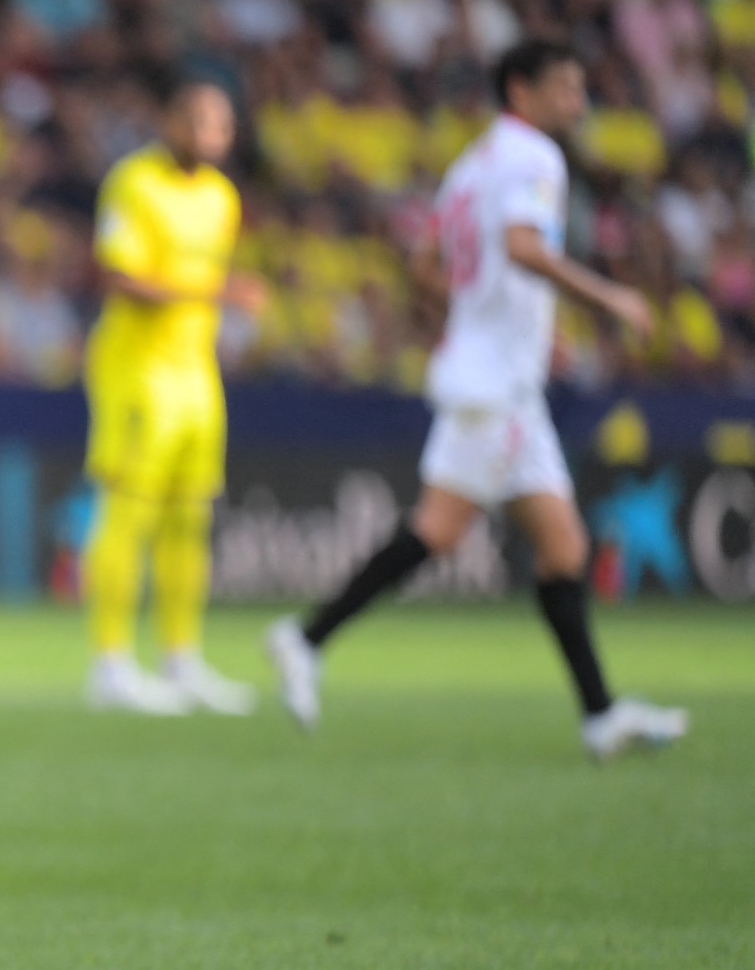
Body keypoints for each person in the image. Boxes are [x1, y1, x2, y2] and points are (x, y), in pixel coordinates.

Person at [265, 39, 689, 760]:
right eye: (564, 87)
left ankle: (599, 713)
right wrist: (608, 296)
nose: (578, 102)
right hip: (494, 386)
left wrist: (489, 323)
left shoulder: (471, 164)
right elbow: (522, 248)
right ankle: (304, 637)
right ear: (520, 90)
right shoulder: (534, 158)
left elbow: (427, 264)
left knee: (562, 545)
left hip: (499, 377)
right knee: (437, 529)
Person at [82, 71, 265, 715]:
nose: (210, 135)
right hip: (137, 370)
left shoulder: (221, 195)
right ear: (172, 123)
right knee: (129, 513)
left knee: (189, 518)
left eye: (220, 125)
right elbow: (119, 276)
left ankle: (182, 659)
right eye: (199, 122)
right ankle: (110, 663)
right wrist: (216, 293)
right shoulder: (135, 182)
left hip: (196, 372)